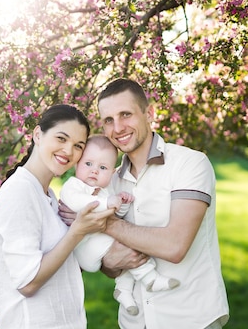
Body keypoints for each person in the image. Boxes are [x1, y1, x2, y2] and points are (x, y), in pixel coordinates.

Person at [60, 79, 230, 329]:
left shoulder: (190, 164)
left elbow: (175, 245)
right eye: (108, 120)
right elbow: (109, 266)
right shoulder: (108, 178)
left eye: (126, 115)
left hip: (190, 327)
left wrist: (100, 220)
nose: (118, 127)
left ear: (148, 113)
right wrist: (110, 255)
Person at [0, 104, 114, 329]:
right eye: (61, 138)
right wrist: (78, 232)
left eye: (78, 145)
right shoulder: (20, 191)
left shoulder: (48, 196)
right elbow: (28, 282)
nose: (68, 151)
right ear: (37, 134)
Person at [59, 135, 180, 316]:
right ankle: (150, 278)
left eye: (102, 167)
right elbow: (80, 203)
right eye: (88, 164)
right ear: (77, 164)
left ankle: (123, 291)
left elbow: (115, 215)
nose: (94, 171)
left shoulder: (106, 190)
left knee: (126, 242)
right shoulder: (73, 186)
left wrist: (121, 203)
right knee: (129, 244)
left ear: (111, 172)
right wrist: (108, 203)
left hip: (97, 244)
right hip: (86, 248)